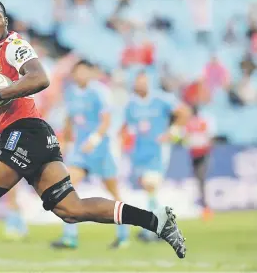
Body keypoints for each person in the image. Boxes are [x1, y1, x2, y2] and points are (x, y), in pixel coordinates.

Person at [0, 0, 186, 273]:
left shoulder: (14, 46)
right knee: (71, 209)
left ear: (5, 21)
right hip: (35, 135)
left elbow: (39, 78)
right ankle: (156, 221)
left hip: (25, 131)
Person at [50, 60, 129, 249]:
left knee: (113, 192)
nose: (81, 75)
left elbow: (106, 120)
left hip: (101, 149)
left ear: (91, 73)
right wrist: (66, 142)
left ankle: (123, 233)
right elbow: (69, 119)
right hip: (80, 150)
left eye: (85, 71)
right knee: (66, 188)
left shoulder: (99, 92)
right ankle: (70, 237)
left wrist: (94, 140)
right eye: (78, 72)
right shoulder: (71, 92)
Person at [123, 71, 190, 242]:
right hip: (139, 152)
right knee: (149, 190)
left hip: (157, 151)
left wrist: (172, 132)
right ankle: (160, 228)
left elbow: (184, 112)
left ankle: (156, 229)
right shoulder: (131, 105)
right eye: (139, 81)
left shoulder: (161, 99)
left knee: (151, 185)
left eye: (144, 81)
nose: (141, 85)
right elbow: (128, 127)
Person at [184, 105, 215, 220]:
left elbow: (187, 138)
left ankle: (205, 206)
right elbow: (209, 137)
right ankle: (202, 205)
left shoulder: (194, 123)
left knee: (200, 179)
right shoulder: (202, 121)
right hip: (199, 153)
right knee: (199, 179)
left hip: (200, 153)